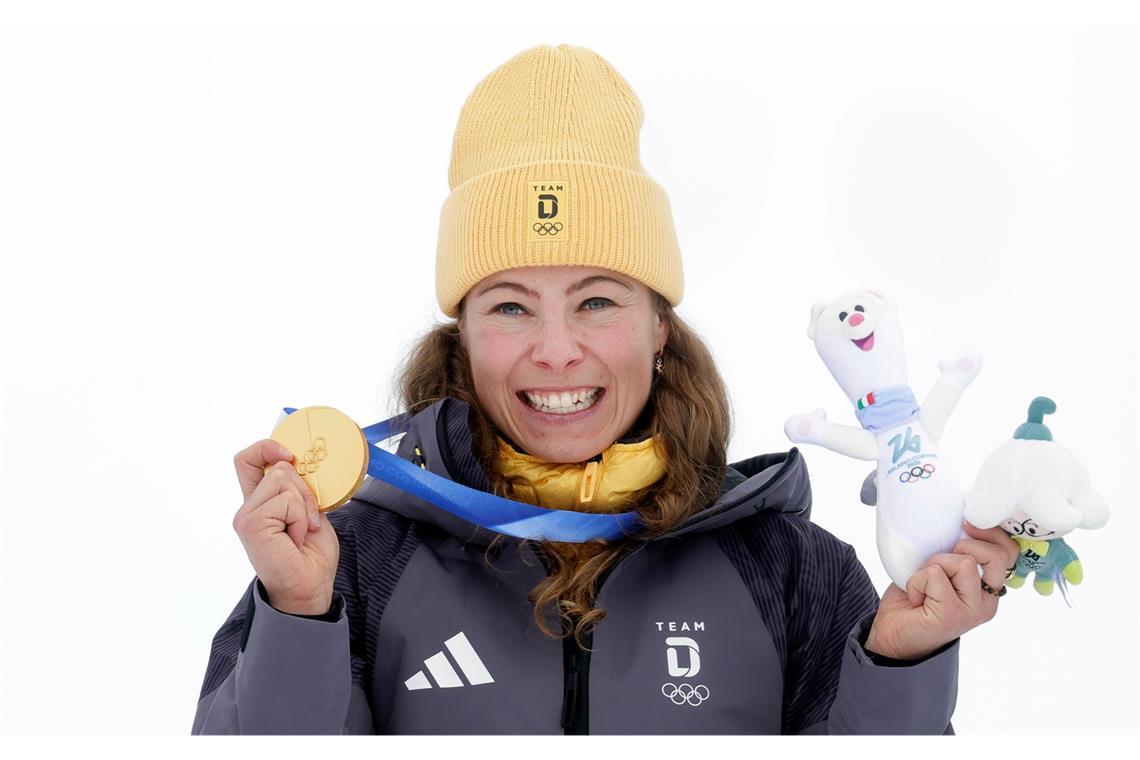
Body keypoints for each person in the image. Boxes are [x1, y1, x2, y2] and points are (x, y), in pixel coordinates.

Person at [192, 43, 1018, 735]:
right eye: (511, 305)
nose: (557, 352)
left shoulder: (792, 571)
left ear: (660, 327)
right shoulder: (353, 564)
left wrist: (901, 663)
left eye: (596, 300)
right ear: (464, 337)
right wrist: (298, 618)